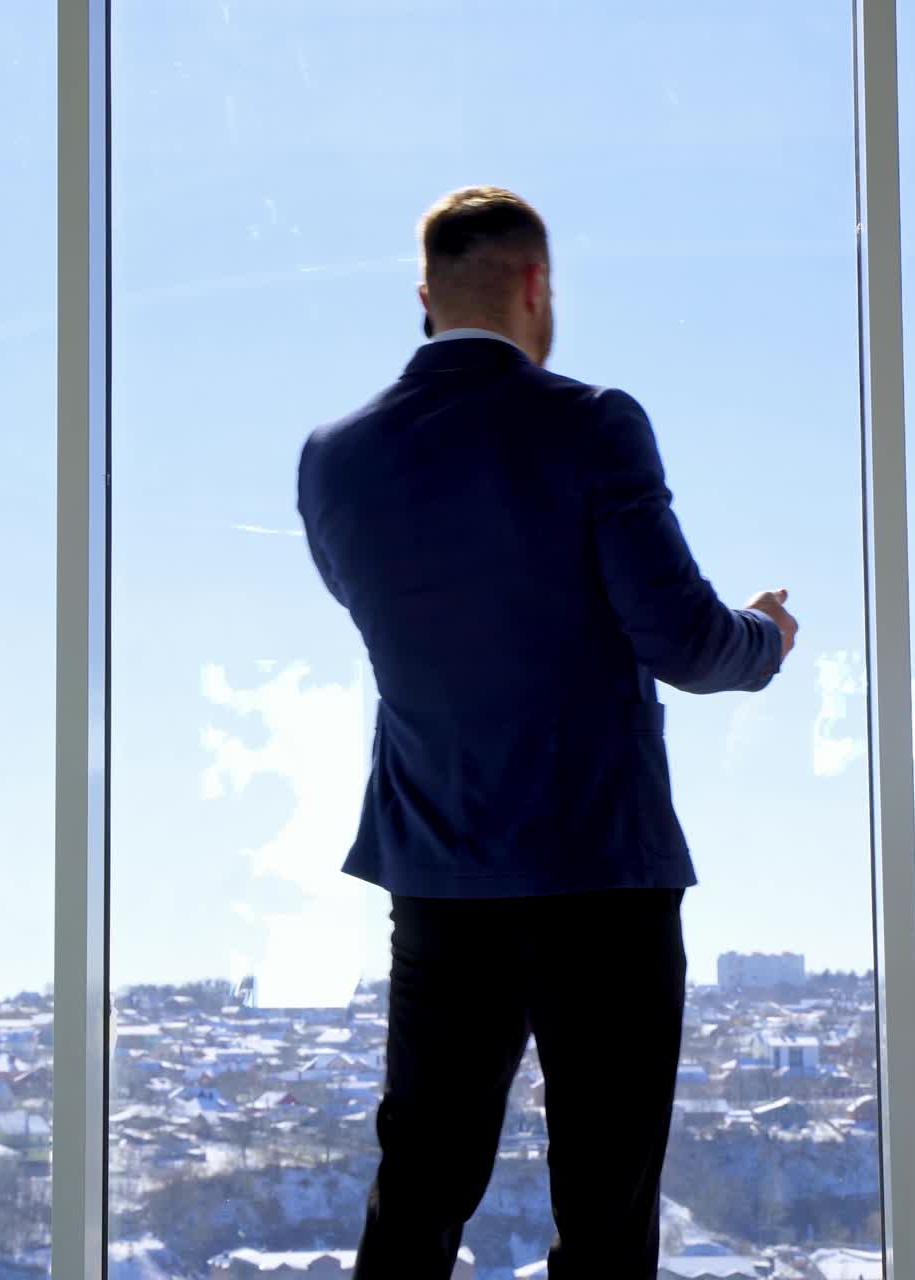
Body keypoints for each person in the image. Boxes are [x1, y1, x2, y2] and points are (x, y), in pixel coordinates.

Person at [296, 186, 798, 1280]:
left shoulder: (331, 458)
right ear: (535, 286)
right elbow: (678, 636)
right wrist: (763, 637)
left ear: (424, 298)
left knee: (418, 1188)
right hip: (598, 872)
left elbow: (389, 614)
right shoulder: (591, 422)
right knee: (605, 1209)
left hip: (437, 868)